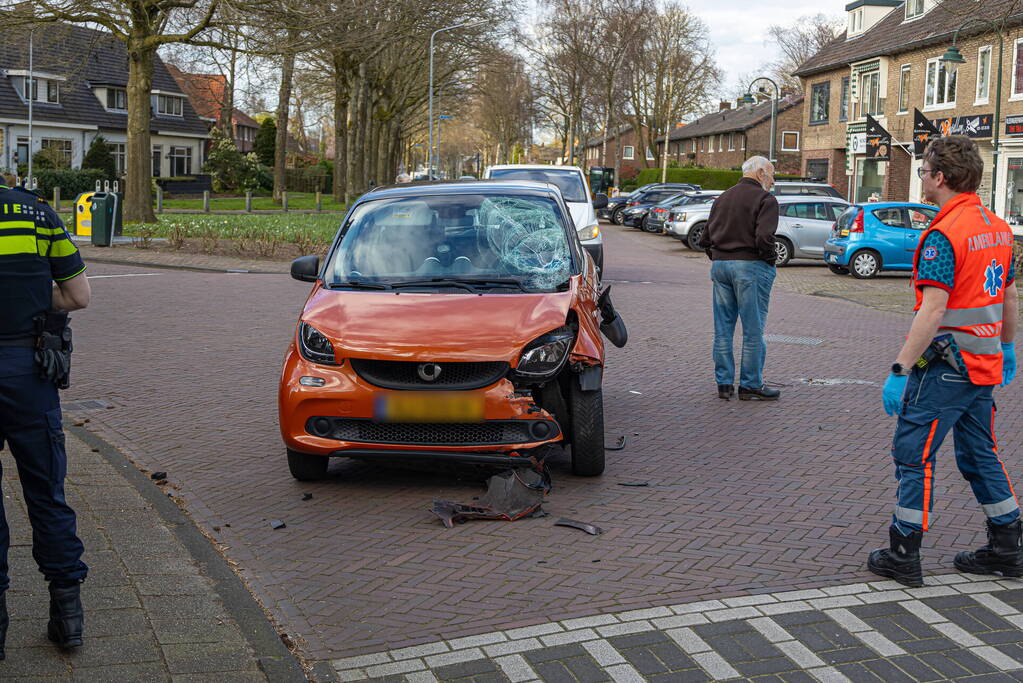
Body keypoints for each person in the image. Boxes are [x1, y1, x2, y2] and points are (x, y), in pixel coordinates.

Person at [869, 135, 1022, 587]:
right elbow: (1008, 294)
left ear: (941, 177)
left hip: (946, 368)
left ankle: (903, 551)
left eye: (923, 171)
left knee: (913, 455)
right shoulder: (997, 227)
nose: (920, 178)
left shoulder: (943, 235)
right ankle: (1008, 546)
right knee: (980, 453)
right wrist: (1009, 346)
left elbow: (933, 311)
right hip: (984, 364)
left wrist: (899, 370)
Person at [0, 180, 91, 658]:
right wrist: (36, 298)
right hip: (28, 372)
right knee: (46, 492)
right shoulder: (35, 214)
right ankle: (68, 618)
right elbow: (77, 296)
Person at [698, 155, 780, 401]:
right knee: (753, 329)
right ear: (761, 173)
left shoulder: (722, 198)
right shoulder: (766, 200)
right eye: (772, 174)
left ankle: (724, 383)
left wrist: (718, 256)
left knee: (722, 329)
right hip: (751, 266)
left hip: (721, 266)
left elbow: (705, 237)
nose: (773, 180)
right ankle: (750, 384)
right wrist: (769, 259)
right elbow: (764, 237)